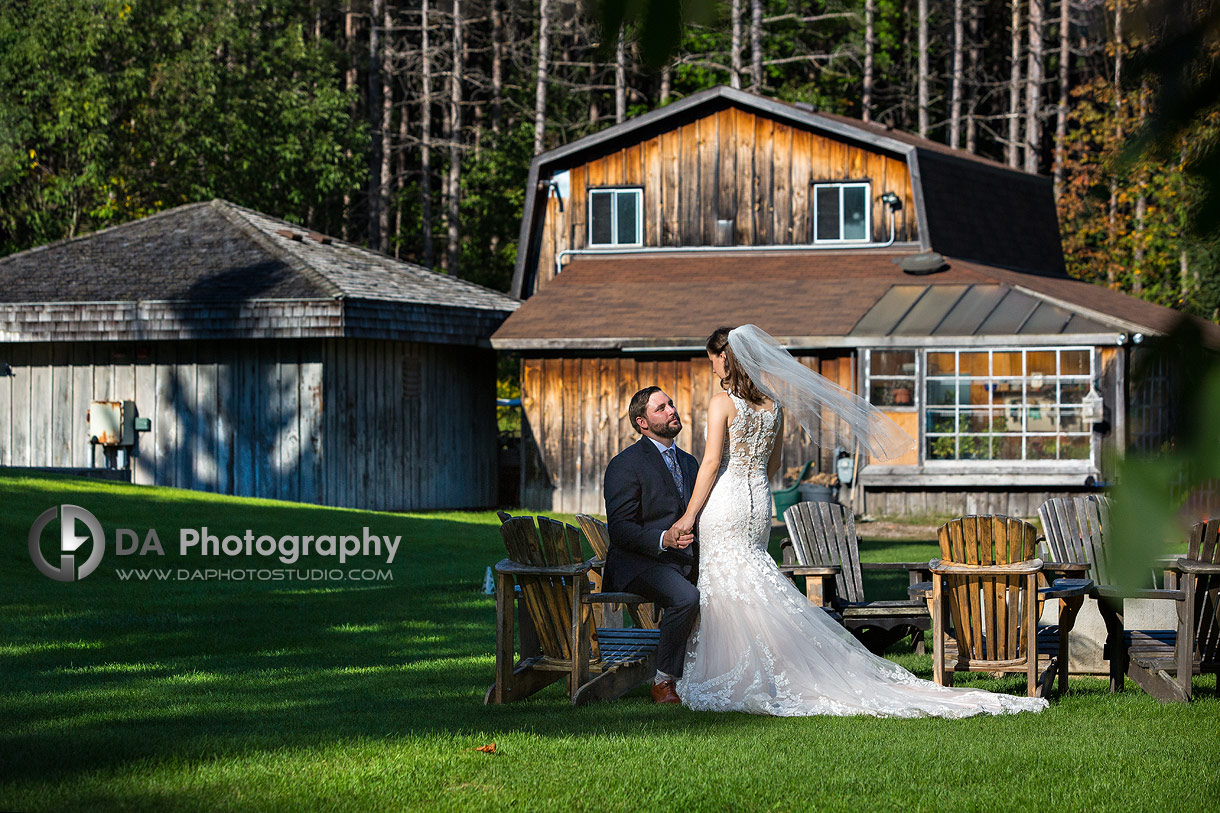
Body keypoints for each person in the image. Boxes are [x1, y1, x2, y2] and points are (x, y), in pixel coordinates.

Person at [670, 325, 1048, 717]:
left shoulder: (722, 403)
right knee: (752, 576)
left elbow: (712, 462)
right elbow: (776, 464)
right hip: (757, 501)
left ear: (725, 357)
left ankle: (739, 668)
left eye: (713, 358)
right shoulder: (773, 404)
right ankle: (765, 664)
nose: (713, 367)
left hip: (727, 499)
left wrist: (688, 516)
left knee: (728, 581)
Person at [603, 386, 700, 704]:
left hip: (684, 560)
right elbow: (620, 530)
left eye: (671, 404)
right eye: (661, 408)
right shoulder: (625, 464)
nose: (672, 410)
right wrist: (663, 538)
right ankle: (663, 681)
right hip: (638, 563)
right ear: (642, 422)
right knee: (686, 597)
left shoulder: (689, 462)